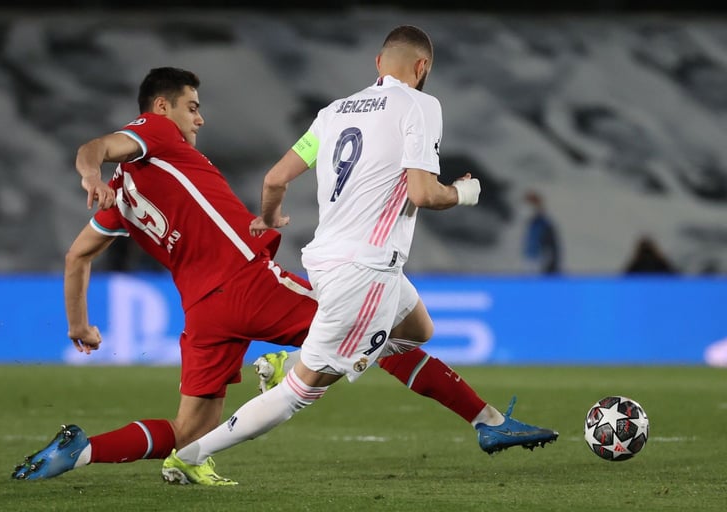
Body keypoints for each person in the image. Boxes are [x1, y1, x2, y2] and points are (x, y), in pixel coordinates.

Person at [11, 65, 556, 485]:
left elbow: (77, 257)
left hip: (204, 311)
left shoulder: (123, 201)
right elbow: (96, 148)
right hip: (247, 283)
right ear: (160, 107)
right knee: (382, 329)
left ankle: (81, 451)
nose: (199, 119)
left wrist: (79, 324)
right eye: (192, 107)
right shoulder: (159, 134)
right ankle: (482, 420)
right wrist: (89, 170)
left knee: (187, 430)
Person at [170, 26, 557, 475]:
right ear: (422, 67)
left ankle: (487, 420)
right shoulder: (420, 104)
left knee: (416, 329)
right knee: (302, 391)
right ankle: (191, 455)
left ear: (377, 64)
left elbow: (275, 178)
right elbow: (423, 193)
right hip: (366, 268)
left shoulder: (333, 112)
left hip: (330, 258)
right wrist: (463, 192)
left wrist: (272, 215)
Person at [522, 190, 562, 274]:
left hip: (540, 264)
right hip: (529, 262)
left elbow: (551, 250)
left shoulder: (545, 225)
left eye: (531, 206)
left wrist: (549, 265)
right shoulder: (530, 224)